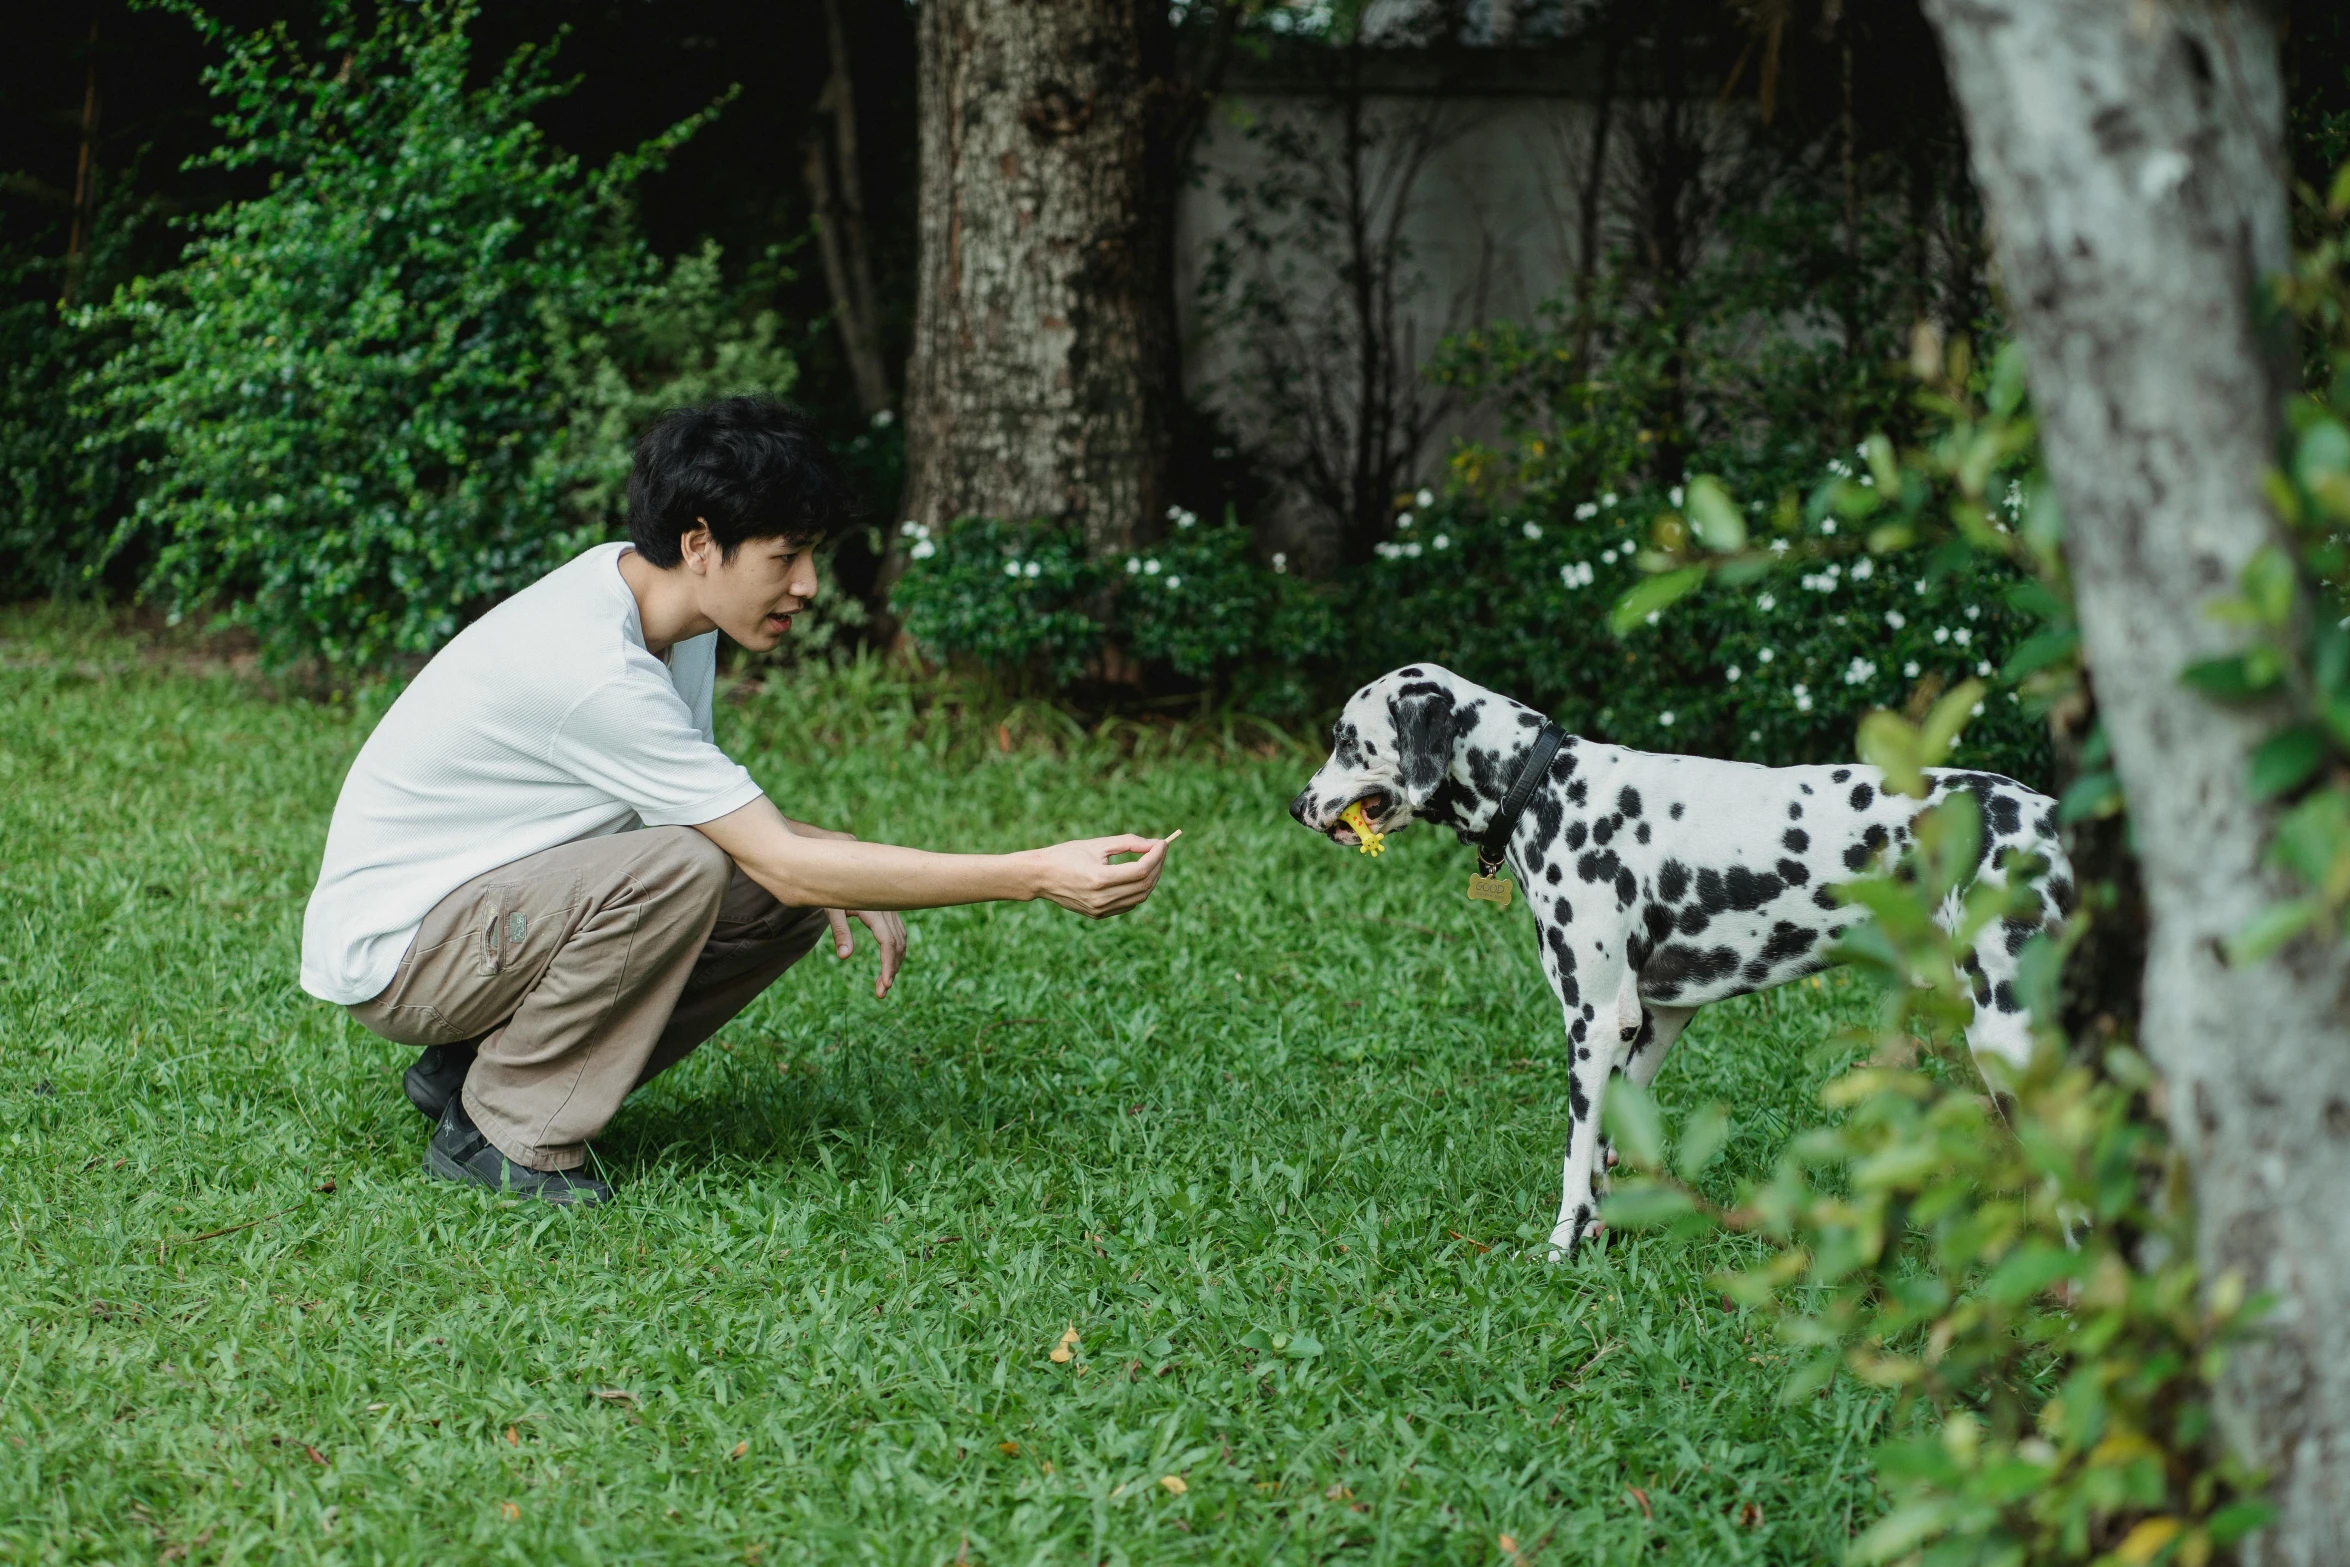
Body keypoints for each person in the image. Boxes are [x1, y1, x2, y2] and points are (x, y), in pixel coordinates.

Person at [299, 396, 1176, 1205]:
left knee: (775, 885)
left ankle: (470, 1066)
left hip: (482, 919)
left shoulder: (665, 616)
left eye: (809, 558)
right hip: (405, 954)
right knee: (708, 865)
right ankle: (499, 1131)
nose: (808, 587)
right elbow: (745, 850)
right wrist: (1032, 874)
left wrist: (838, 867)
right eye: (785, 558)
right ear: (700, 543)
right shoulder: (594, 666)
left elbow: (744, 838)